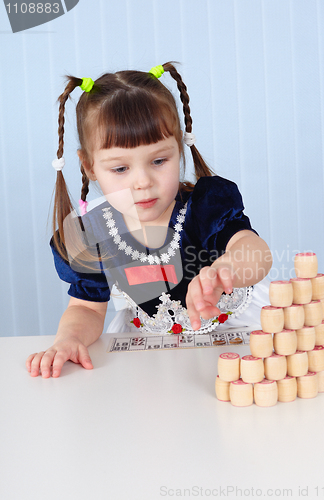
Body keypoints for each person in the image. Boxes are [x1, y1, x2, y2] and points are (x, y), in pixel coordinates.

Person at [26, 62, 272, 378]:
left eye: (158, 161)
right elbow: (86, 308)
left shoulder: (203, 206)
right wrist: (69, 338)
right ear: (89, 166)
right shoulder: (92, 234)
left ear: (179, 149)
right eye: (120, 169)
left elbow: (254, 252)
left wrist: (227, 269)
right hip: (155, 353)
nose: (142, 182)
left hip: (239, 338)